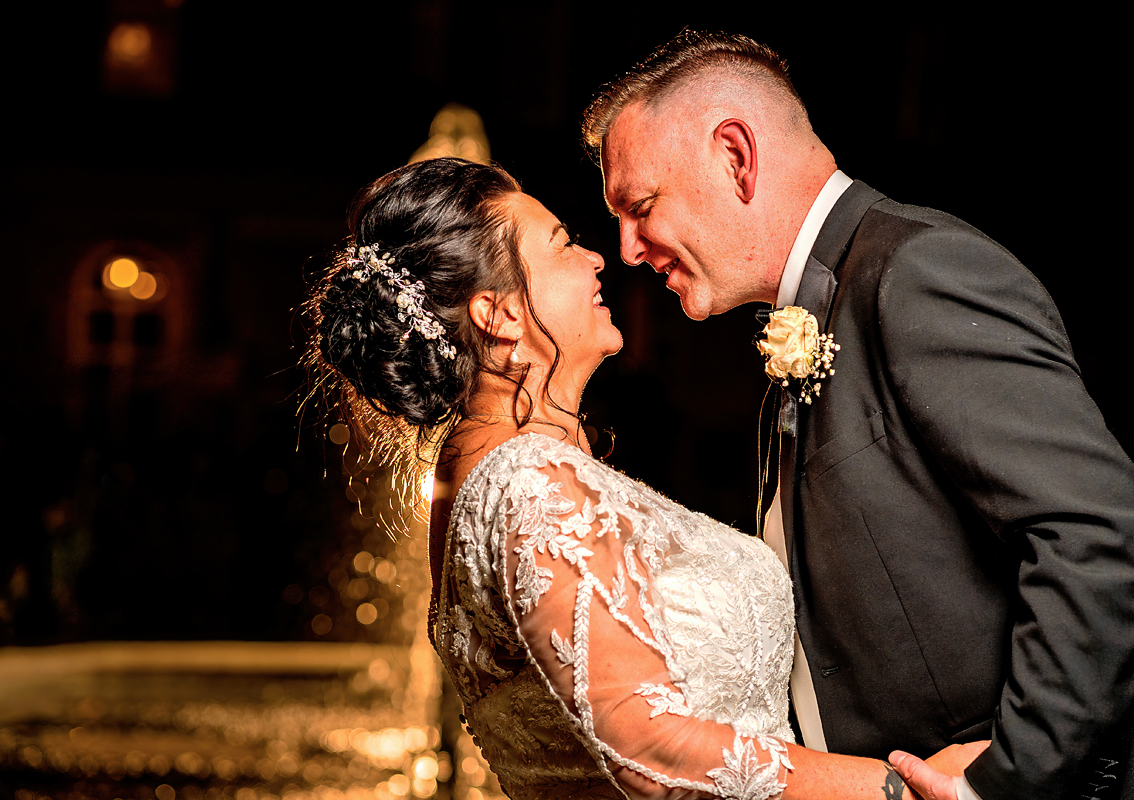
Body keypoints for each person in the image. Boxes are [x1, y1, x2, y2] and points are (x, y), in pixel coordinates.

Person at [304, 156, 986, 799]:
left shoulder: (486, 471)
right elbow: (649, 752)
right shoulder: (528, 483)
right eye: (562, 243)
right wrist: (900, 788)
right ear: (501, 314)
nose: (597, 257)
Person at [581, 30, 1134, 800]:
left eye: (641, 207)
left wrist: (1007, 779)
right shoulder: (806, 321)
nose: (629, 249)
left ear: (736, 156)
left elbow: (1098, 528)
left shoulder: (915, 273)